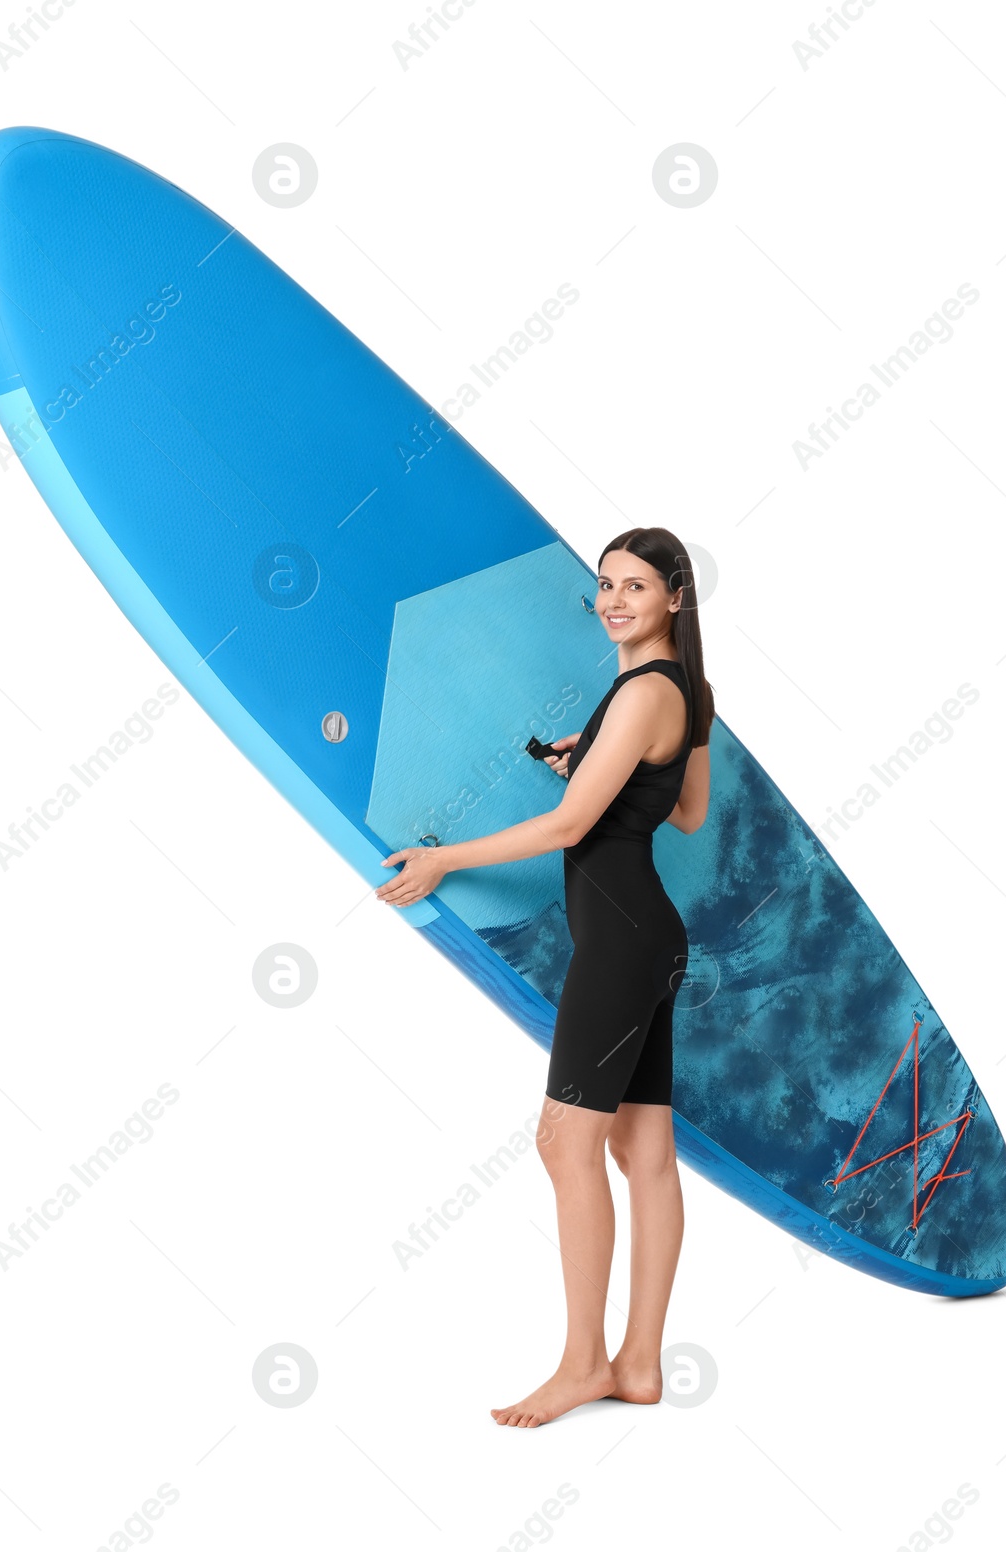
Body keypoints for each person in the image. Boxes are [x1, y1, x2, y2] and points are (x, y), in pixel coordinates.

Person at [376, 526, 715, 1428]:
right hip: (649, 936)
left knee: (565, 1144)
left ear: (675, 598)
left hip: (622, 944)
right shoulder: (683, 689)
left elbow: (570, 830)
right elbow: (686, 809)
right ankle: (639, 1365)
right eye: (604, 584)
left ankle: (582, 1366)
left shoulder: (644, 692)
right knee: (642, 1151)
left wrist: (447, 859)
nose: (611, 601)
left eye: (634, 587)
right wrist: (602, 752)